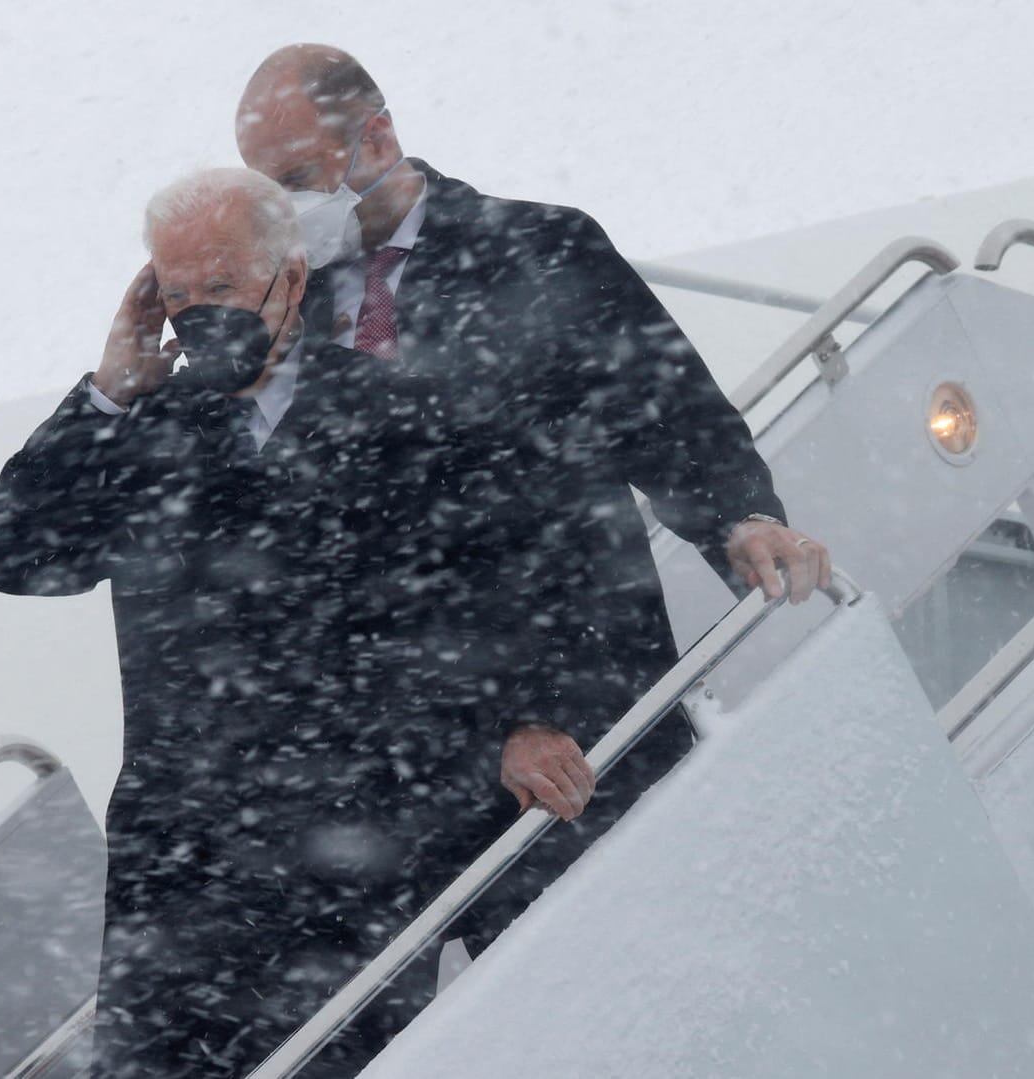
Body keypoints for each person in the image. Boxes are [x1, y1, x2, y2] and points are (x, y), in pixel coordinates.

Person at [0, 167, 583, 1077]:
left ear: (291, 278)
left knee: (334, 1055)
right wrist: (105, 390)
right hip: (183, 848)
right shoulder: (140, 434)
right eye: (176, 293)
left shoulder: (405, 410)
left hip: (359, 829)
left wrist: (526, 718)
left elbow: (495, 582)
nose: (198, 310)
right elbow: (12, 553)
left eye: (220, 285)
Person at [234, 42, 832, 964]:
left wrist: (738, 517)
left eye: (301, 178)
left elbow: (667, 413)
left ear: (379, 136)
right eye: (271, 195)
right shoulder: (290, 323)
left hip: (587, 698)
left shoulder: (542, 247)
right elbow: (336, 559)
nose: (293, 211)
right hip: (419, 759)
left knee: (663, 968)